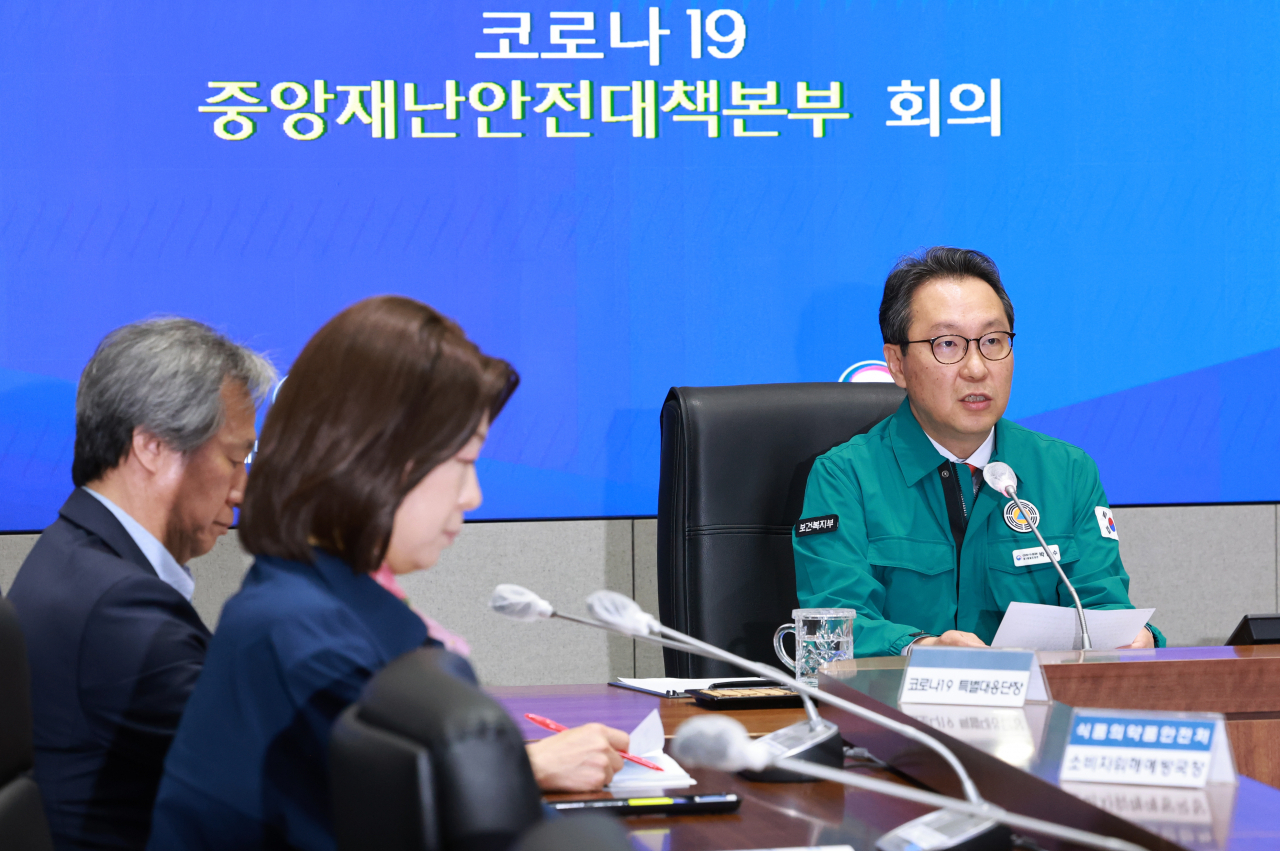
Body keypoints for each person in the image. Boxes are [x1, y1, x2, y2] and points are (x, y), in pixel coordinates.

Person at [147, 296, 629, 851]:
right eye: (464, 463)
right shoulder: (313, 648)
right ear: (374, 459)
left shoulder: (301, 602)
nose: (472, 496)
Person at [792, 248, 1164, 657]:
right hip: (894, 713)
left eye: (993, 341)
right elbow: (831, 632)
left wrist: (1135, 637)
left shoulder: (1067, 471)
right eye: (947, 344)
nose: (976, 368)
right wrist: (921, 648)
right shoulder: (845, 478)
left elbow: (1101, 605)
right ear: (897, 363)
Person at [6, 319, 276, 850]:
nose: (243, 489)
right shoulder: (119, 607)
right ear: (151, 447)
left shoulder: (71, 557)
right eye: (233, 457)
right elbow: (275, 770)